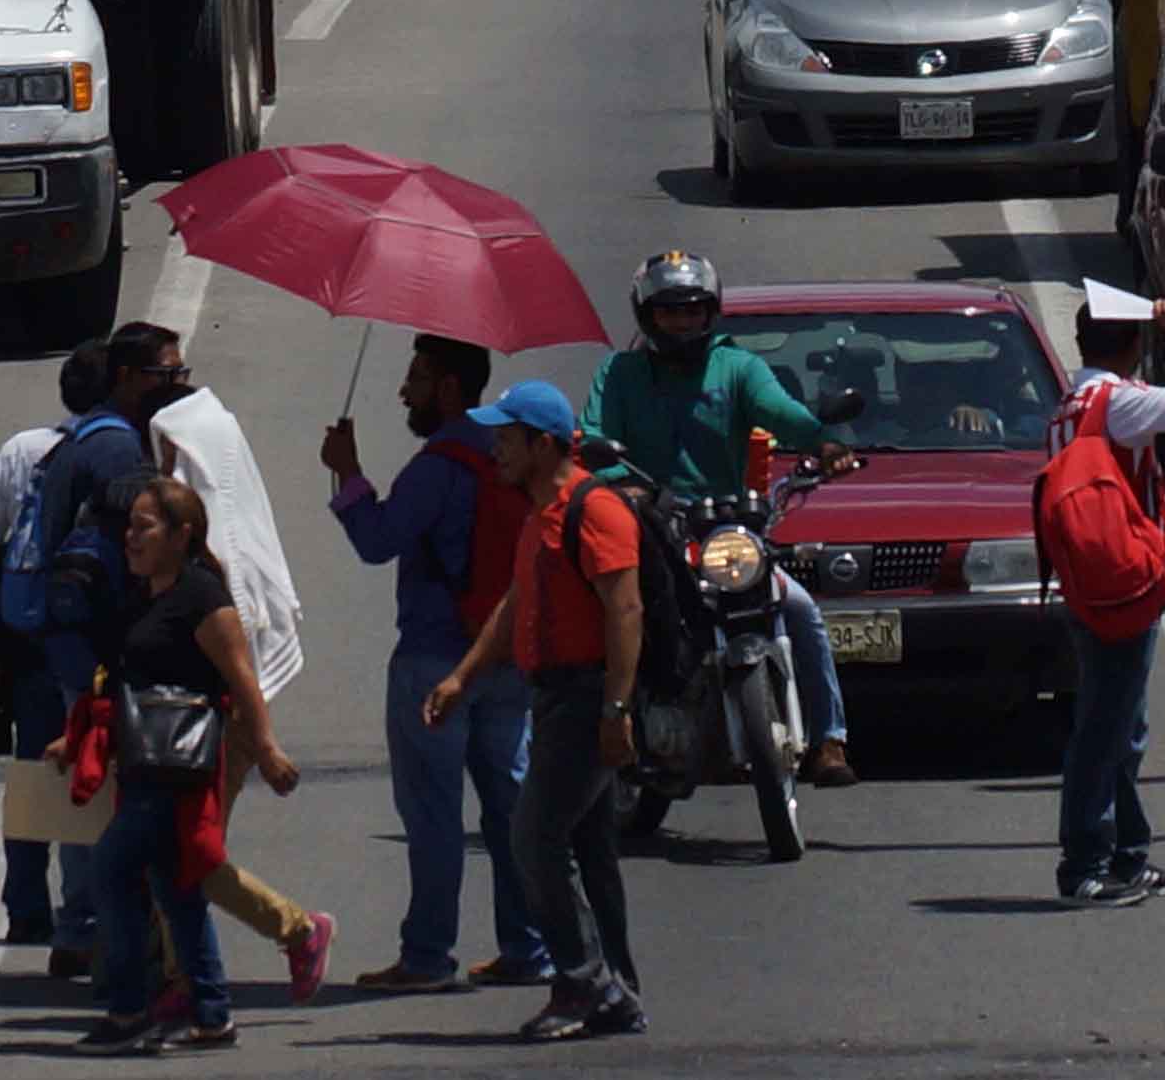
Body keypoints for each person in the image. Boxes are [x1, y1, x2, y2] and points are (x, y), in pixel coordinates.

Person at [578, 252, 860, 788]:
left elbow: (781, 413)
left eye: (693, 310)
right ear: (647, 316)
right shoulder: (619, 373)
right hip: (647, 530)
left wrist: (824, 443)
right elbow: (593, 436)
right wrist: (622, 482)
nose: (682, 322)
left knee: (799, 610)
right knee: (615, 616)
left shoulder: (738, 368)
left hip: (724, 530)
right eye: (669, 312)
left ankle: (829, 739)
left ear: (711, 312)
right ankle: (615, 726)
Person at [425, 380, 647, 1043]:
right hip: (553, 698)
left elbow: (625, 611)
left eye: (506, 438)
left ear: (542, 444)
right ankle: (615, 990)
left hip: (586, 698)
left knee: (533, 838)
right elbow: (516, 604)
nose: (495, 449)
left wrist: (615, 709)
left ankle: (583, 983)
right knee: (589, 849)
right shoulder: (539, 516)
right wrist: (462, 677)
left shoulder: (595, 510)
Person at [325, 335, 546, 993]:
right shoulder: (505, 454)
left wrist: (347, 472)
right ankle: (527, 947)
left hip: (435, 662)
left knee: (432, 816)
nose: (404, 392)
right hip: (505, 658)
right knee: (509, 810)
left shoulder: (438, 463)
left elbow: (378, 541)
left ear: (448, 386)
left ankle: (426, 957)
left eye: (416, 378)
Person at [59, 477, 302, 1053]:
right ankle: (213, 1016)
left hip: (178, 768)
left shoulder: (203, 598)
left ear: (182, 535)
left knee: (112, 869)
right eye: (130, 527)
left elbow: (243, 679)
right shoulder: (145, 593)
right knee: (177, 888)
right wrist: (73, 738)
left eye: (144, 527)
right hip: (144, 762)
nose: (131, 537)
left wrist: (266, 748)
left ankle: (128, 1012)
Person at [151, 366, 336, 1003]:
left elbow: (241, 676)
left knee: (188, 854)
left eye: (170, 452)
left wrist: (265, 745)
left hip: (212, 729)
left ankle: (291, 932)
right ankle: (175, 974)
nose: (163, 465)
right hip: (183, 727)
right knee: (171, 853)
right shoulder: (186, 569)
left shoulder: (213, 586)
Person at [24, 320, 199, 981]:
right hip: (101, 646)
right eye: (166, 374)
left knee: (83, 785)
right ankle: (101, 934)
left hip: (68, 638)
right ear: (127, 378)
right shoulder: (119, 452)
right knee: (107, 793)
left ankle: (78, 927)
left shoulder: (86, 436)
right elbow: (145, 557)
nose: (178, 384)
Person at [1049, 286, 1165, 905]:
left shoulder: (1073, 402)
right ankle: (1084, 865)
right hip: (1122, 582)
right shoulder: (1119, 402)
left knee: (1123, 725)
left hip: (1089, 580)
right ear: (1131, 345)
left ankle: (1128, 856)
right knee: (1105, 730)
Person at [0, 339, 109, 951]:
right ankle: (87, 911)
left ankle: (26, 906)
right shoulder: (119, 452)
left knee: (32, 770)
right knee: (89, 769)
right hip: (89, 642)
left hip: (29, 635)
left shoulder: (25, 448)